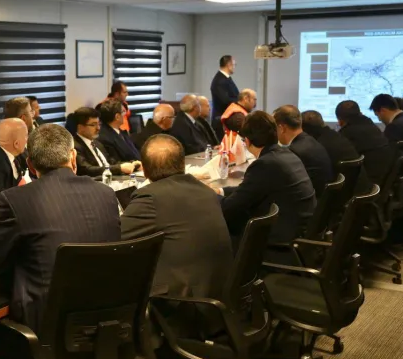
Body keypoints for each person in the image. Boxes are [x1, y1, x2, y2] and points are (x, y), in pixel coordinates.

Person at [0, 125, 121, 359]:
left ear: (30, 165)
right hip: (110, 330)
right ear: (73, 157)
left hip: (45, 333)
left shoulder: (15, 200)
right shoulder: (106, 194)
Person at [121, 134, 233, 300]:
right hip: (220, 294)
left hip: (182, 303)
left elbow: (116, 239)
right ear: (183, 164)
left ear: (144, 170)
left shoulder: (150, 197)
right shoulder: (206, 191)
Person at [214, 112, 316, 254]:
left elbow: (231, 206)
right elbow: (250, 189)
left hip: (281, 239)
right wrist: (221, 191)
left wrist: (209, 196)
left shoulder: (265, 164)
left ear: (247, 141)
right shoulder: (286, 155)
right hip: (302, 229)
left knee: (222, 225)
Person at [301, 110, 371, 193]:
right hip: (355, 189)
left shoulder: (318, 146)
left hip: (339, 194)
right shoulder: (336, 136)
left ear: (304, 130)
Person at [273, 105, 333, 196]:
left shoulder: (294, 152)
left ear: (282, 128)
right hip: (320, 197)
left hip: (307, 199)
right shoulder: (311, 141)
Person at [335, 100, 394, 186]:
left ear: (340, 122)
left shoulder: (347, 133)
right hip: (383, 177)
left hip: (367, 182)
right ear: (361, 113)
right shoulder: (371, 125)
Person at [72, 106, 138, 177]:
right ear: (80, 127)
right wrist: (119, 168)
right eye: (93, 125)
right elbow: (87, 169)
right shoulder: (74, 146)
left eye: (99, 124)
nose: (98, 128)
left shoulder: (97, 143)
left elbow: (111, 162)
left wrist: (132, 164)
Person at [97, 98, 141, 163]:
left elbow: (135, 153)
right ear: (117, 117)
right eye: (123, 112)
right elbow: (115, 162)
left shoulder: (121, 132)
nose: (125, 114)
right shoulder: (105, 138)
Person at [210, 55, 239, 122]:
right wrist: (241, 101)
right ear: (229, 65)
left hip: (226, 118)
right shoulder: (219, 80)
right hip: (221, 119)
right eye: (234, 64)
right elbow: (225, 101)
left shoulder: (225, 78)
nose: (234, 67)